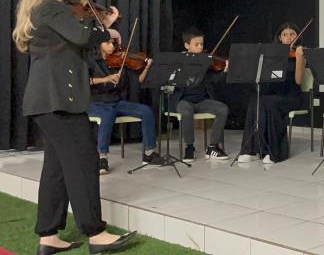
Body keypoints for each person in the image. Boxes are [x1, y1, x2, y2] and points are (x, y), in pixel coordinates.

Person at [13, 0, 136, 254]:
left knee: (56, 169)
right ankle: (96, 234)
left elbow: (74, 40)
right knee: (83, 163)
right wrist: (104, 27)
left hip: (49, 100)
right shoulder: (50, 8)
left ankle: (49, 237)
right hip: (57, 102)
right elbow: (83, 35)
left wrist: (99, 27)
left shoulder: (47, 11)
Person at [87, 29, 164, 174]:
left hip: (116, 101)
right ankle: (102, 158)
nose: (112, 46)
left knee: (146, 111)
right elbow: (83, 81)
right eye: (108, 43)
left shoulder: (120, 60)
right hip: (96, 102)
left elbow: (139, 80)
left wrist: (147, 66)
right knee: (108, 114)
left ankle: (149, 154)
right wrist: (105, 79)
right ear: (99, 44)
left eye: (113, 43)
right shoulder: (90, 61)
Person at [238, 22, 307, 164]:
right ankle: (250, 150)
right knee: (255, 99)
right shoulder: (274, 55)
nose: (288, 38)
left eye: (292, 34)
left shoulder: (301, 54)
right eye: (285, 35)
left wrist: (300, 59)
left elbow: (299, 81)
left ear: (298, 36)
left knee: (269, 102)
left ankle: (275, 152)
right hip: (275, 95)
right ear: (280, 38)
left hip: (293, 97)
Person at [169, 27, 230, 162]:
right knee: (186, 111)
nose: (200, 47)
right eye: (196, 45)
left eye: (201, 44)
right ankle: (189, 147)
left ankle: (213, 147)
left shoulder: (206, 60)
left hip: (202, 101)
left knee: (222, 108)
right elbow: (173, 81)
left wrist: (225, 71)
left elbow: (214, 79)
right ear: (187, 45)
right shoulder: (179, 61)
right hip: (184, 100)